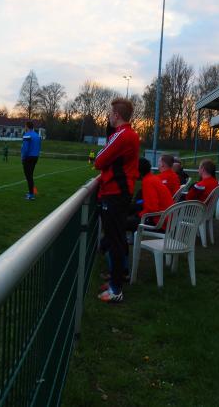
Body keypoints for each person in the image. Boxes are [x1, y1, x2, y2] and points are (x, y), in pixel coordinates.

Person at [94, 98, 139, 303]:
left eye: (111, 113)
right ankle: (115, 280)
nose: (109, 116)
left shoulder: (122, 135)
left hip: (115, 194)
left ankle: (116, 290)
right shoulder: (128, 134)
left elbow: (99, 161)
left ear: (117, 115)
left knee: (115, 240)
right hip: (118, 193)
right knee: (117, 239)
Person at [21, 121, 41, 200]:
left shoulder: (27, 135)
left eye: (25, 126)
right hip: (35, 157)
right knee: (30, 175)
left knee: (28, 176)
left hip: (28, 157)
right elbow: (39, 147)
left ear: (27, 126)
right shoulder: (37, 135)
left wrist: (23, 157)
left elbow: (25, 148)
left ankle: (31, 195)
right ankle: (31, 192)